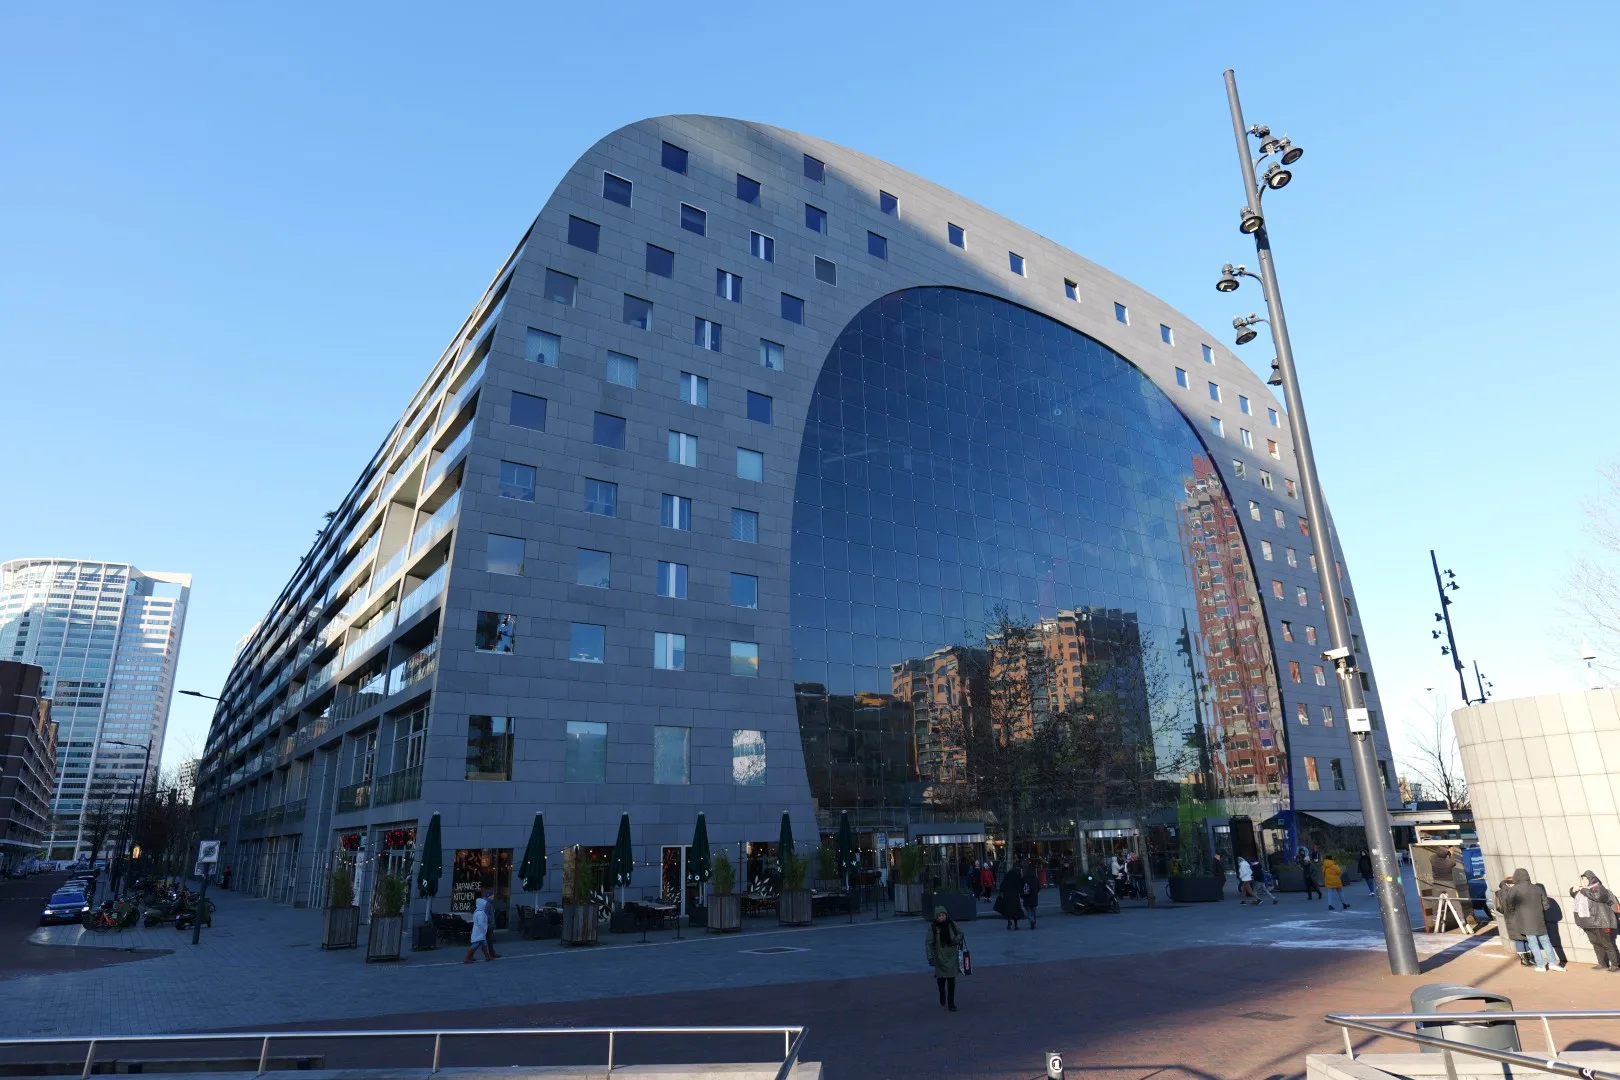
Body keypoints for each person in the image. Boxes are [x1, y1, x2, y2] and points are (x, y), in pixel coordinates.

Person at [1505, 868, 1563, 972]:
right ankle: (1553, 963)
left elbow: (1510, 905)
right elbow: (1546, 905)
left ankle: (1541, 965)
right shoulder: (1537, 889)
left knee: (1533, 943)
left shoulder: (1514, 889)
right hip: (1539, 920)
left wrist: (1517, 912)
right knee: (1546, 942)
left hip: (1525, 921)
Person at [1569, 871, 1620, 972]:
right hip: (1588, 922)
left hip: (1601, 922)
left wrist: (1582, 889)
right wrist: (1573, 890)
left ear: (1591, 879)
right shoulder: (1584, 891)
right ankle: (1602, 963)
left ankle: (1615, 965)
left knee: (1607, 944)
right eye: (1582, 879)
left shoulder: (1599, 888)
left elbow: (1597, 896)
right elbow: (1575, 896)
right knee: (1596, 944)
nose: (1583, 881)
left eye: (1585, 879)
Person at [924, 906, 965, 1011]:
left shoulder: (952, 924)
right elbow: (929, 943)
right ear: (936, 917)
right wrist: (930, 957)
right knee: (941, 981)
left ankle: (951, 1002)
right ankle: (942, 993)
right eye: (940, 916)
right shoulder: (933, 927)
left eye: (944, 915)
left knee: (951, 981)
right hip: (939, 957)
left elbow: (961, 933)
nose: (942, 917)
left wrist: (956, 940)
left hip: (952, 956)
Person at [464, 890, 500, 963]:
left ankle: (488, 957)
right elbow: (481, 923)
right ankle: (467, 958)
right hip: (480, 932)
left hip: (480, 932)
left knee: (484, 944)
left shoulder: (478, 912)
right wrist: (484, 929)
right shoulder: (480, 913)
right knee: (475, 945)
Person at [996, 862, 1024, 930]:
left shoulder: (1007, 876)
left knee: (1008, 910)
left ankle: (1009, 922)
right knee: (1015, 911)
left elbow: (1002, 887)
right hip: (1015, 896)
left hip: (1007, 896)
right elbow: (1020, 887)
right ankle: (1016, 925)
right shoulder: (1017, 876)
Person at [1019, 859, 1039, 929]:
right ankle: (1034, 921)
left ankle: (1031, 920)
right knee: (1033, 909)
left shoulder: (1024, 878)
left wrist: (1021, 894)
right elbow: (1038, 887)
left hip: (1027, 896)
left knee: (1028, 910)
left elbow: (1021, 887)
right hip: (1034, 896)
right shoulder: (1035, 878)